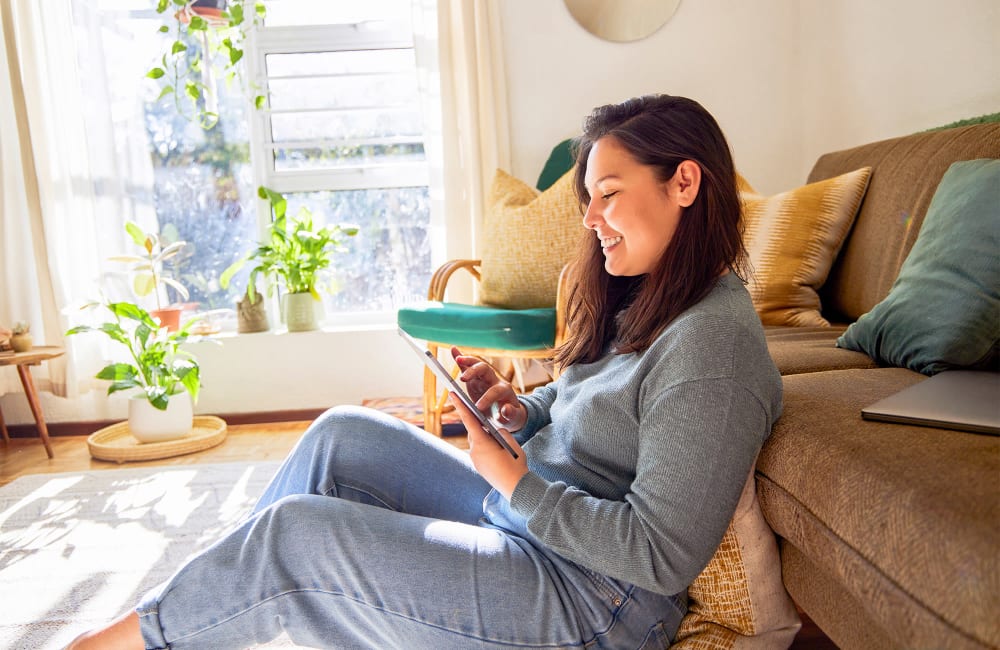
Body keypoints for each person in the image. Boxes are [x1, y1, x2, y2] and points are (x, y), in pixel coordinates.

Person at [69, 94, 781, 649]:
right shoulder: (649, 299)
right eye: (587, 196)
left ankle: (144, 635)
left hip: (591, 607)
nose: (590, 217)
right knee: (340, 435)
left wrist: (516, 482)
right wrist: (514, 410)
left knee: (297, 535)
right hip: (528, 527)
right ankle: (212, 607)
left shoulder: (712, 349)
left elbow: (659, 557)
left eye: (609, 192)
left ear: (684, 182)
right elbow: (572, 400)